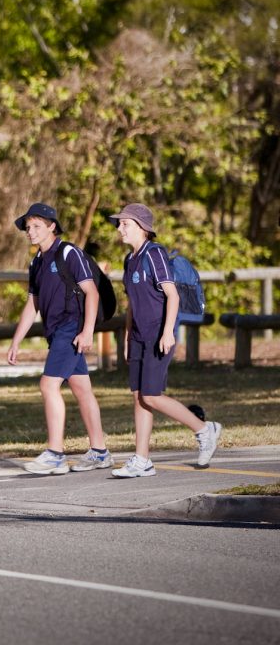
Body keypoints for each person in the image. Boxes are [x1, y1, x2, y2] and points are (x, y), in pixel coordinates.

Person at [108, 203, 221, 478]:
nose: (119, 228)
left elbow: (172, 296)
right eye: (119, 223)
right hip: (137, 336)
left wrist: (168, 332)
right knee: (138, 397)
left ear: (143, 228)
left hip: (159, 333)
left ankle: (205, 430)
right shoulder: (128, 259)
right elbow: (132, 303)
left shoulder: (154, 253)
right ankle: (142, 460)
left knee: (151, 396)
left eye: (126, 223)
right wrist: (126, 337)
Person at [7, 202, 112, 474]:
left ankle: (55, 453)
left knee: (47, 386)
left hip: (71, 327)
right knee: (81, 389)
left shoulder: (68, 252)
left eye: (36, 226)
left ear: (52, 226)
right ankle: (100, 452)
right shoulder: (37, 262)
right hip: (55, 332)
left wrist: (87, 330)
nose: (30, 231)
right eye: (28, 227)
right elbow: (33, 304)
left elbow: (92, 293)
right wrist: (16, 341)